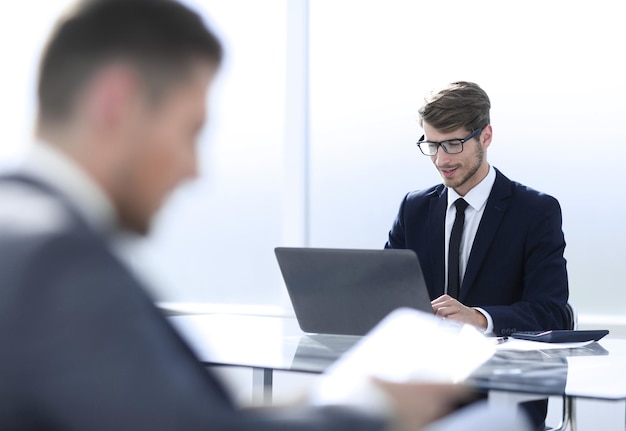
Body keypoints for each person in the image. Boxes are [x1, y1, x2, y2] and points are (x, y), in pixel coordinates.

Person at [0, 2, 531, 430]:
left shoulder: (24, 234)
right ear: (116, 104)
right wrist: (373, 409)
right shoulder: (57, 261)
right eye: (190, 130)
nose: (193, 169)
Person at [385, 81, 570, 429]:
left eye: (453, 144)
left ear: (485, 136)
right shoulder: (414, 208)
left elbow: (551, 313)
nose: (441, 160)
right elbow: (385, 292)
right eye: (432, 145)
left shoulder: (535, 211)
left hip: (501, 394)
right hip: (422, 387)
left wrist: (480, 318)